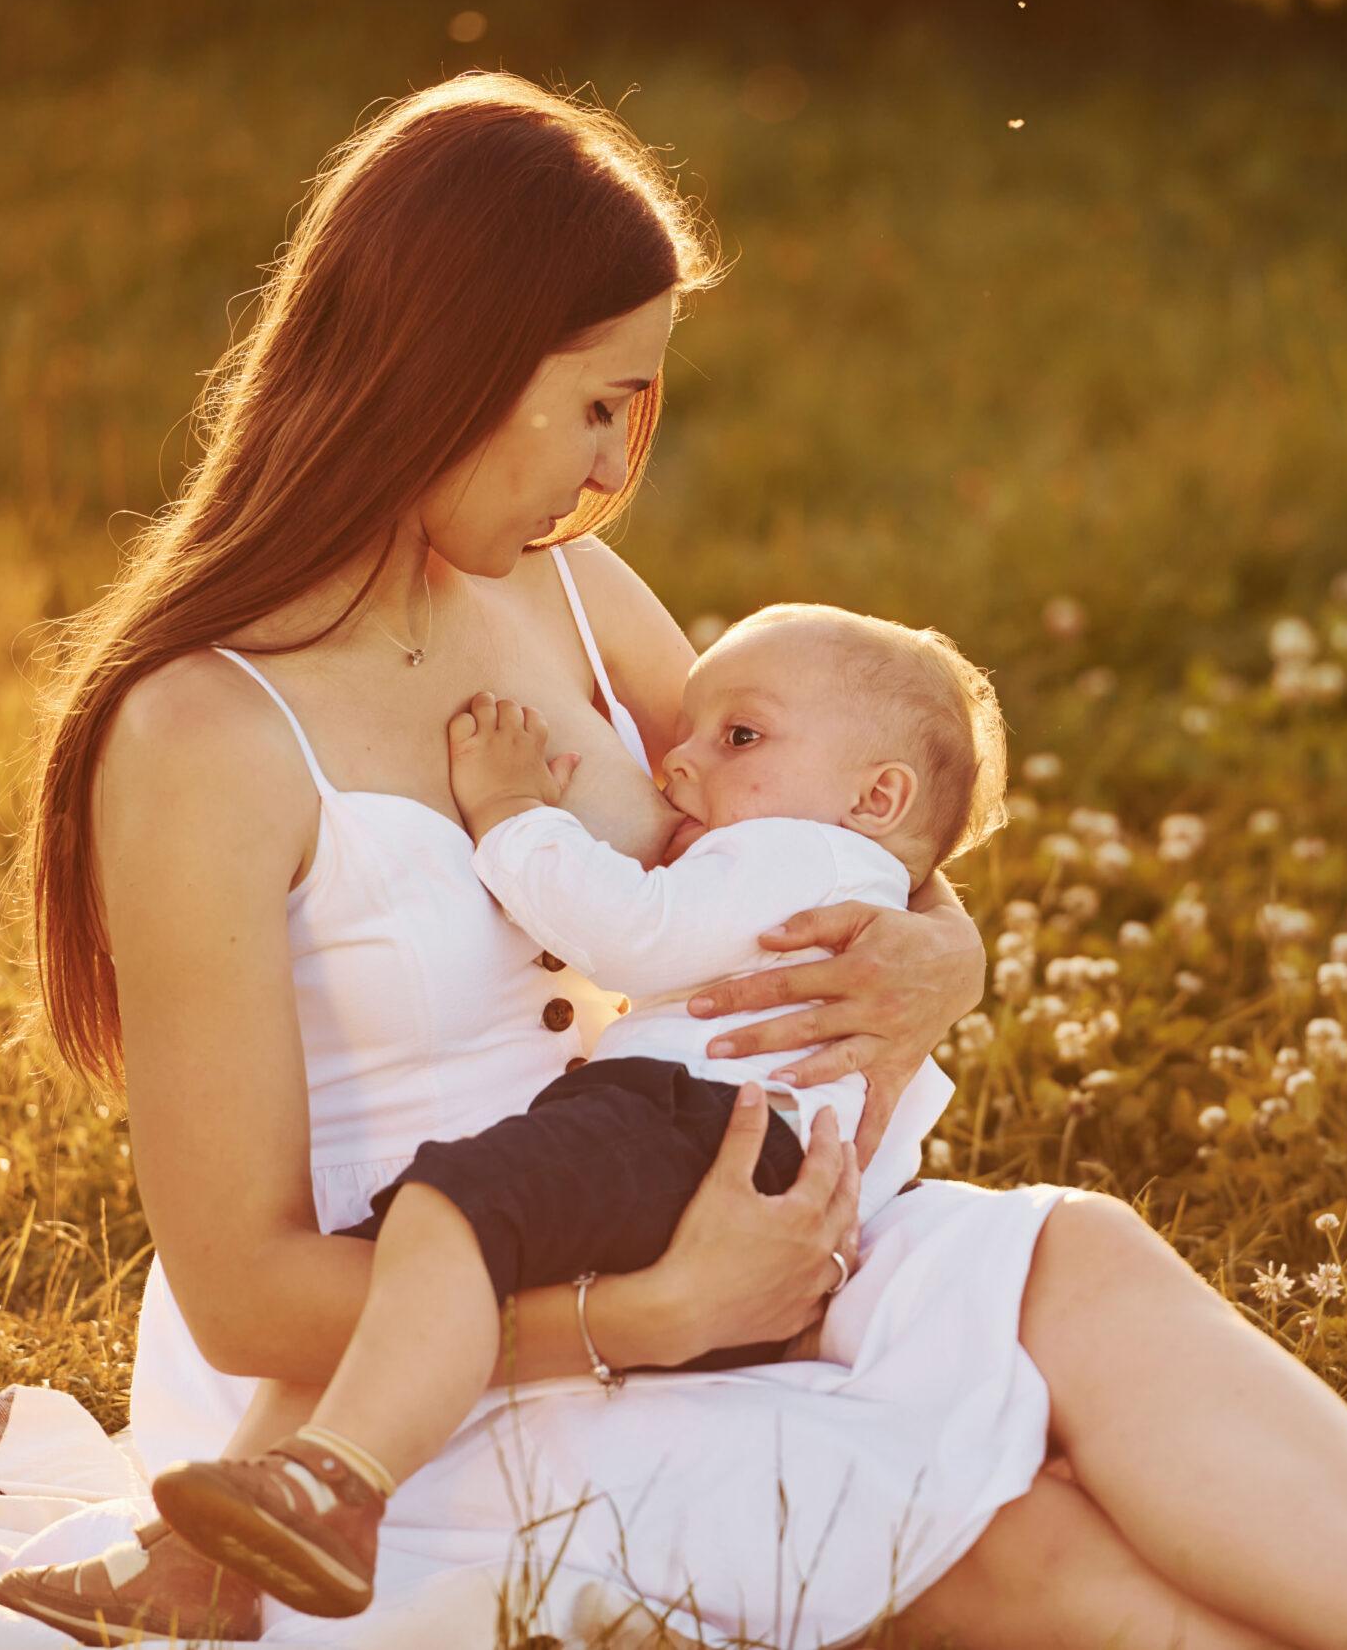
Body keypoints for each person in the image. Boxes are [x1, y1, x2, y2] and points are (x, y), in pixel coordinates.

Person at [0, 69, 1347, 1650]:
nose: (608, 467)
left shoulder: (565, 596)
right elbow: (241, 1296)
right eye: (593, 403)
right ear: (446, 356)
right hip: (380, 1397)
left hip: (677, 1186)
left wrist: (948, 960)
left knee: (1071, 1256)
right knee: (994, 1517)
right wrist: (643, 1314)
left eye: (633, 410)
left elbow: (842, 832)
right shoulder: (203, 739)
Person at [82, 606, 1003, 1628]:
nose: (676, 766)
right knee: (407, 1262)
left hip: (685, 1125)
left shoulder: (795, 858)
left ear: (877, 797)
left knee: (439, 1215)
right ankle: (202, 1566)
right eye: (690, 733)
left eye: (736, 738)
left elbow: (635, 936)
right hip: (704, 1145)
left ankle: (339, 1489)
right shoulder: (833, 857)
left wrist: (513, 810)